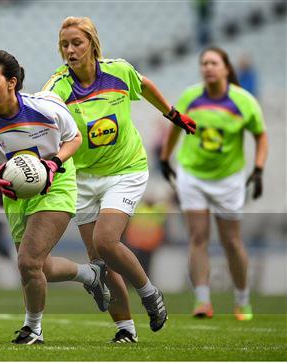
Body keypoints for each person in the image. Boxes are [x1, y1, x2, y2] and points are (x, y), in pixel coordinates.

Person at [43, 17, 196, 342]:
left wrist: (172, 114)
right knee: (99, 261)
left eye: (77, 43)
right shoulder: (58, 87)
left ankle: (150, 293)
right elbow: (41, 116)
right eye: (65, 45)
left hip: (125, 170)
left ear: (92, 44)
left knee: (106, 241)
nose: (70, 50)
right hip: (83, 179)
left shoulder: (119, 71)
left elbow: (145, 85)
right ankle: (125, 329)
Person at [0, 50, 111, 345]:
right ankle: (90, 275)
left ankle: (33, 329)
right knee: (34, 266)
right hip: (15, 194)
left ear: (11, 82)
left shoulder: (46, 106)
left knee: (28, 262)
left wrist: (54, 163)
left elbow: (75, 138)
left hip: (57, 184)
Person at [159, 46, 268, 321]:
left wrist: (257, 169)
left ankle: (242, 301)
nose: (207, 67)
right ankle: (202, 301)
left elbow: (261, 135)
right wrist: (164, 157)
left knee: (231, 241)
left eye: (213, 63)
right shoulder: (191, 97)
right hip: (193, 176)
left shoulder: (244, 101)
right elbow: (175, 125)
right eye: (204, 63)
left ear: (226, 69)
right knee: (198, 237)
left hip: (228, 179)